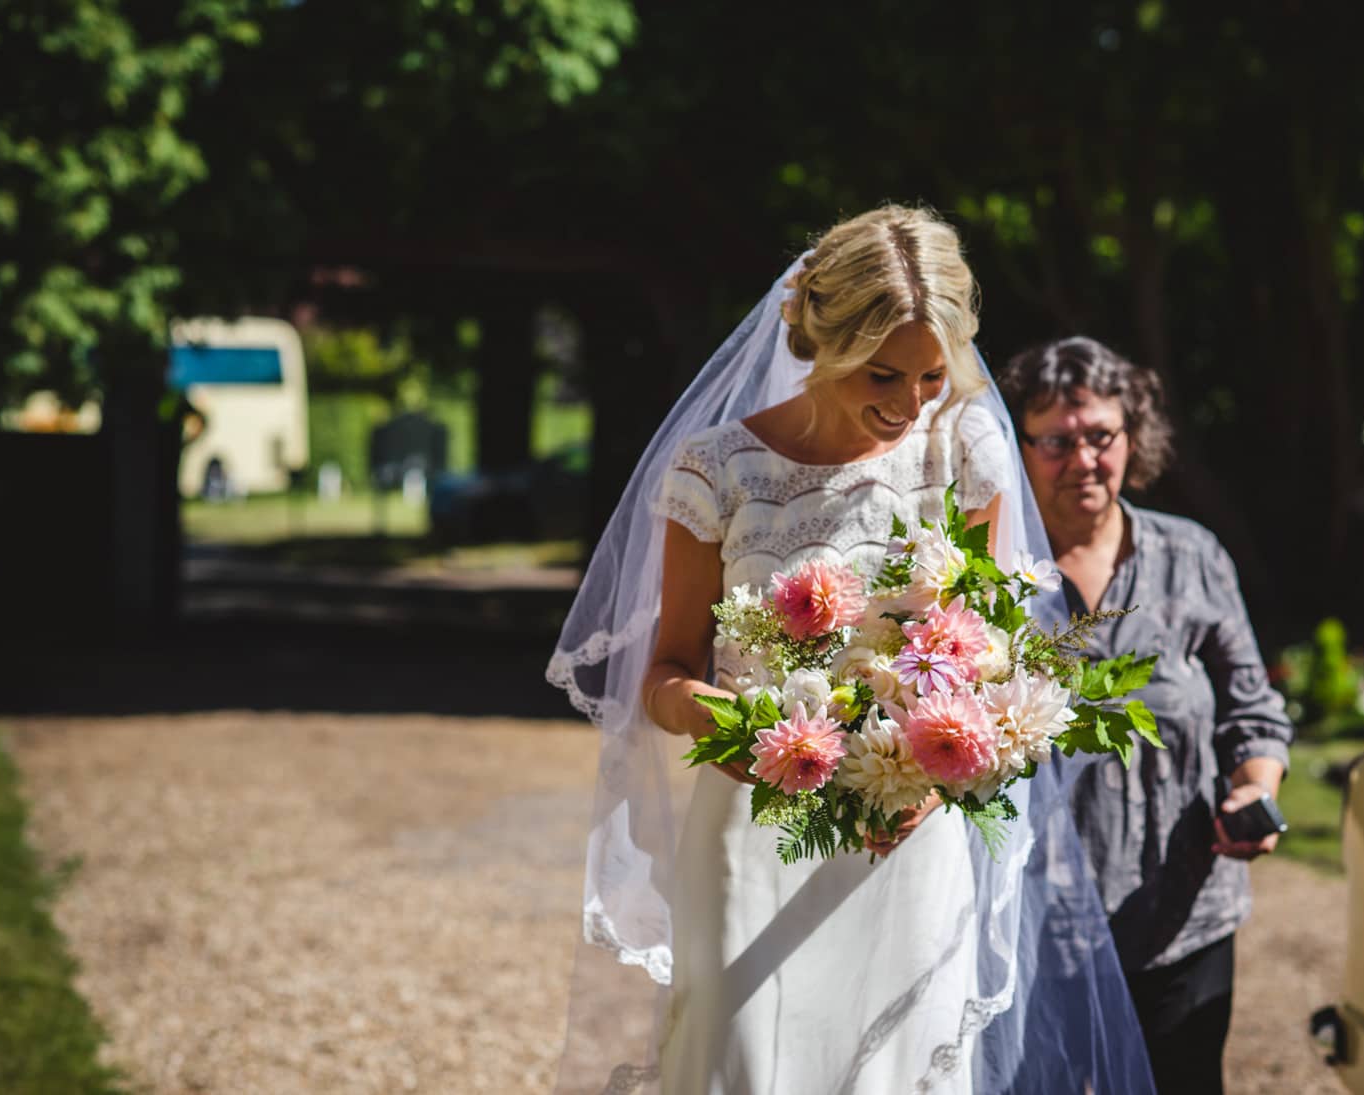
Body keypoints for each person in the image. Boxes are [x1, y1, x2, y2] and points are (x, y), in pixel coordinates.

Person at [548, 207, 1154, 1094]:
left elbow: (985, 652)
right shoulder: (718, 470)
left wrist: (939, 775)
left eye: (932, 375)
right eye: (883, 374)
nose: (911, 403)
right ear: (820, 344)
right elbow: (666, 671)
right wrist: (727, 717)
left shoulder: (961, 444)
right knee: (746, 1064)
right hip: (754, 828)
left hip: (911, 833)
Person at [997, 337, 1294, 1095]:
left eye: (1101, 436)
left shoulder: (1192, 556)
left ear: (1133, 438)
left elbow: (1252, 710)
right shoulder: (985, 576)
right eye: (1057, 441)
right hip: (1030, 928)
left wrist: (1251, 789)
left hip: (1180, 921)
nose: (1083, 459)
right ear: (1019, 445)